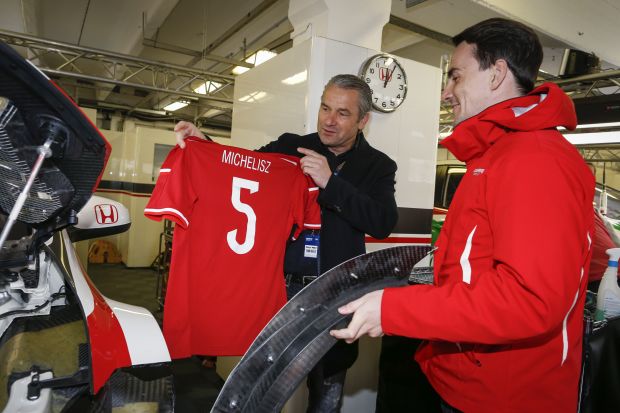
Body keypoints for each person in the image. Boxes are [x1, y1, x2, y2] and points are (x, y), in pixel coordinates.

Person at [331, 18, 595, 413]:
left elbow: (528, 299)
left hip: (503, 397)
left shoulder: (534, 159)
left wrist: (395, 309)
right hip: (467, 378)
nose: (446, 92)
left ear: (497, 74)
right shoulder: (494, 156)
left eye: (456, 76)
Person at [174, 74, 398, 412]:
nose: (329, 120)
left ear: (363, 120)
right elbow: (241, 166)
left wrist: (330, 183)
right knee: (266, 388)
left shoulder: (378, 165)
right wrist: (202, 141)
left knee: (326, 392)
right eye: (325, 108)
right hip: (284, 290)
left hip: (336, 296)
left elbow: (382, 223)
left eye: (342, 113)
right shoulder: (292, 145)